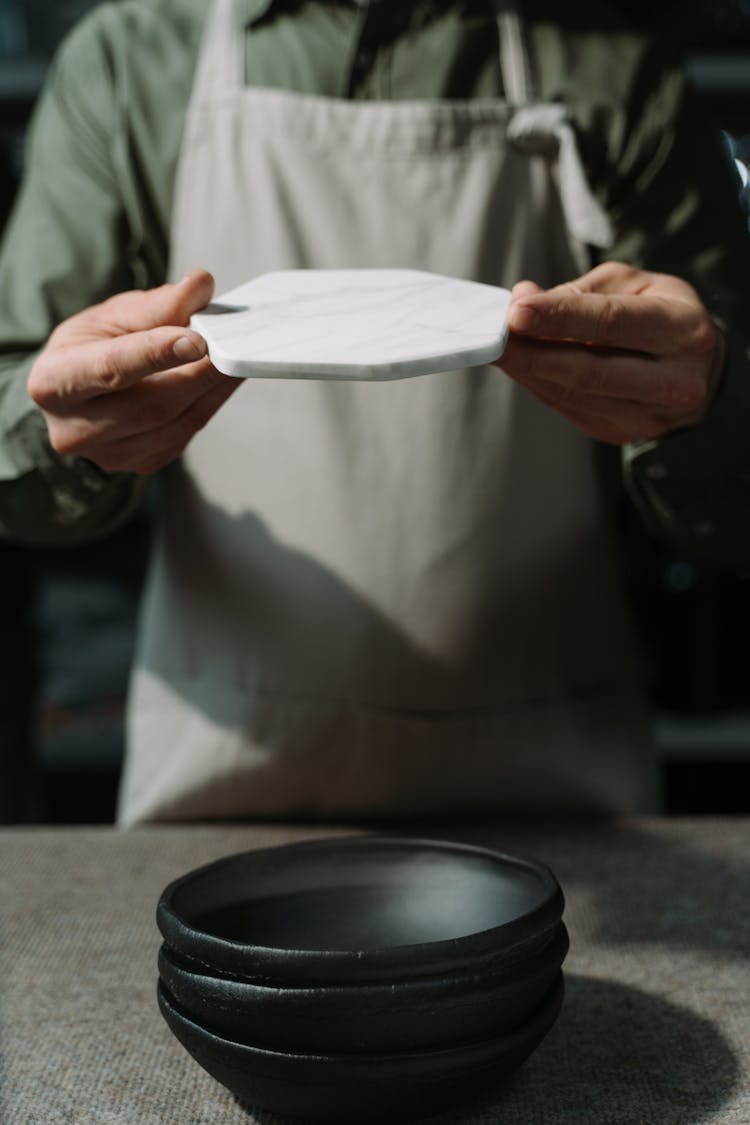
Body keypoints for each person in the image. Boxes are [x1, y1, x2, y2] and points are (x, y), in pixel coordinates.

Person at [1, 0, 749, 824]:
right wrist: (57, 420)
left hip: (559, 786)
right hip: (217, 782)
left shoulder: (613, 67)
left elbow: (728, 520)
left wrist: (707, 393)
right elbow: (18, 450)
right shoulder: (130, 63)